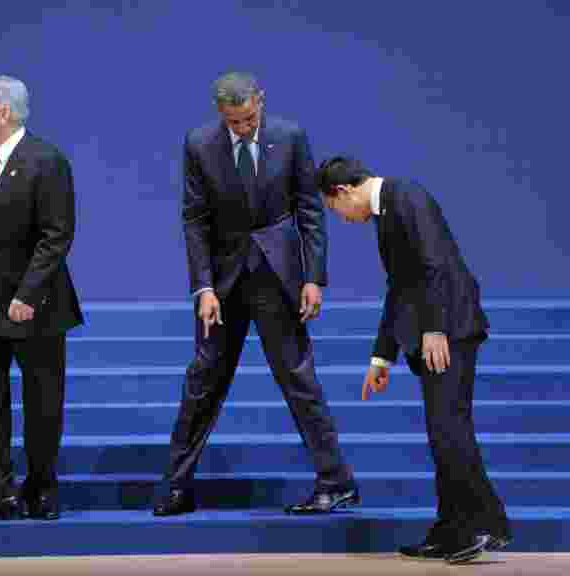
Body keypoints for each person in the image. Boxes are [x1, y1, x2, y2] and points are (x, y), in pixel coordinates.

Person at [154, 72, 357, 517]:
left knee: (298, 381)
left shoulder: (290, 136)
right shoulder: (199, 143)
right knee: (202, 382)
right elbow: (195, 219)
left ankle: (336, 481)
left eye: (247, 120)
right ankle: (176, 486)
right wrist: (202, 286)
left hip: (277, 277)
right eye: (233, 123)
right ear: (220, 114)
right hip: (222, 284)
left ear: (260, 102)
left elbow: (309, 209)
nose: (242, 129)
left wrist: (313, 278)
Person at [315, 156, 511, 564]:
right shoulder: (388, 211)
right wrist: (381, 357)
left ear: (344, 192)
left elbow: (435, 263)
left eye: (335, 210)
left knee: (449, 431)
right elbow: (400, 287)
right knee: (447, 431)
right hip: (434, 333)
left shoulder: (407, 196)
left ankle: (474, 527)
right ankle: (461, 527)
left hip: (449, 331)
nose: (342, 218)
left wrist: (436, 328)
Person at [0, 76, 82, 522]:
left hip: (36, 307)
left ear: (3, 112)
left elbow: (56, 235)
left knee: (43, 403)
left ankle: (41, 488)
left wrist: (28, 293)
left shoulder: (47, 160)